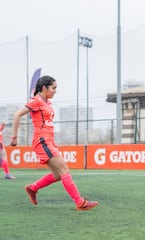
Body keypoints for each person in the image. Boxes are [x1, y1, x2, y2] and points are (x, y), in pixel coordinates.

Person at [10, 76, 98, 210]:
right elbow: (17, 114)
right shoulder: (36, 101)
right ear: (44, 88)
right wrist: (14, 137)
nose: (55, 91)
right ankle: (80, 202)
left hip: (49, 140)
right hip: (42, 141)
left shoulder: (48, 102)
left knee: (58, 175)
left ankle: (32, 188)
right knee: (64, 170)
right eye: (53, 88)